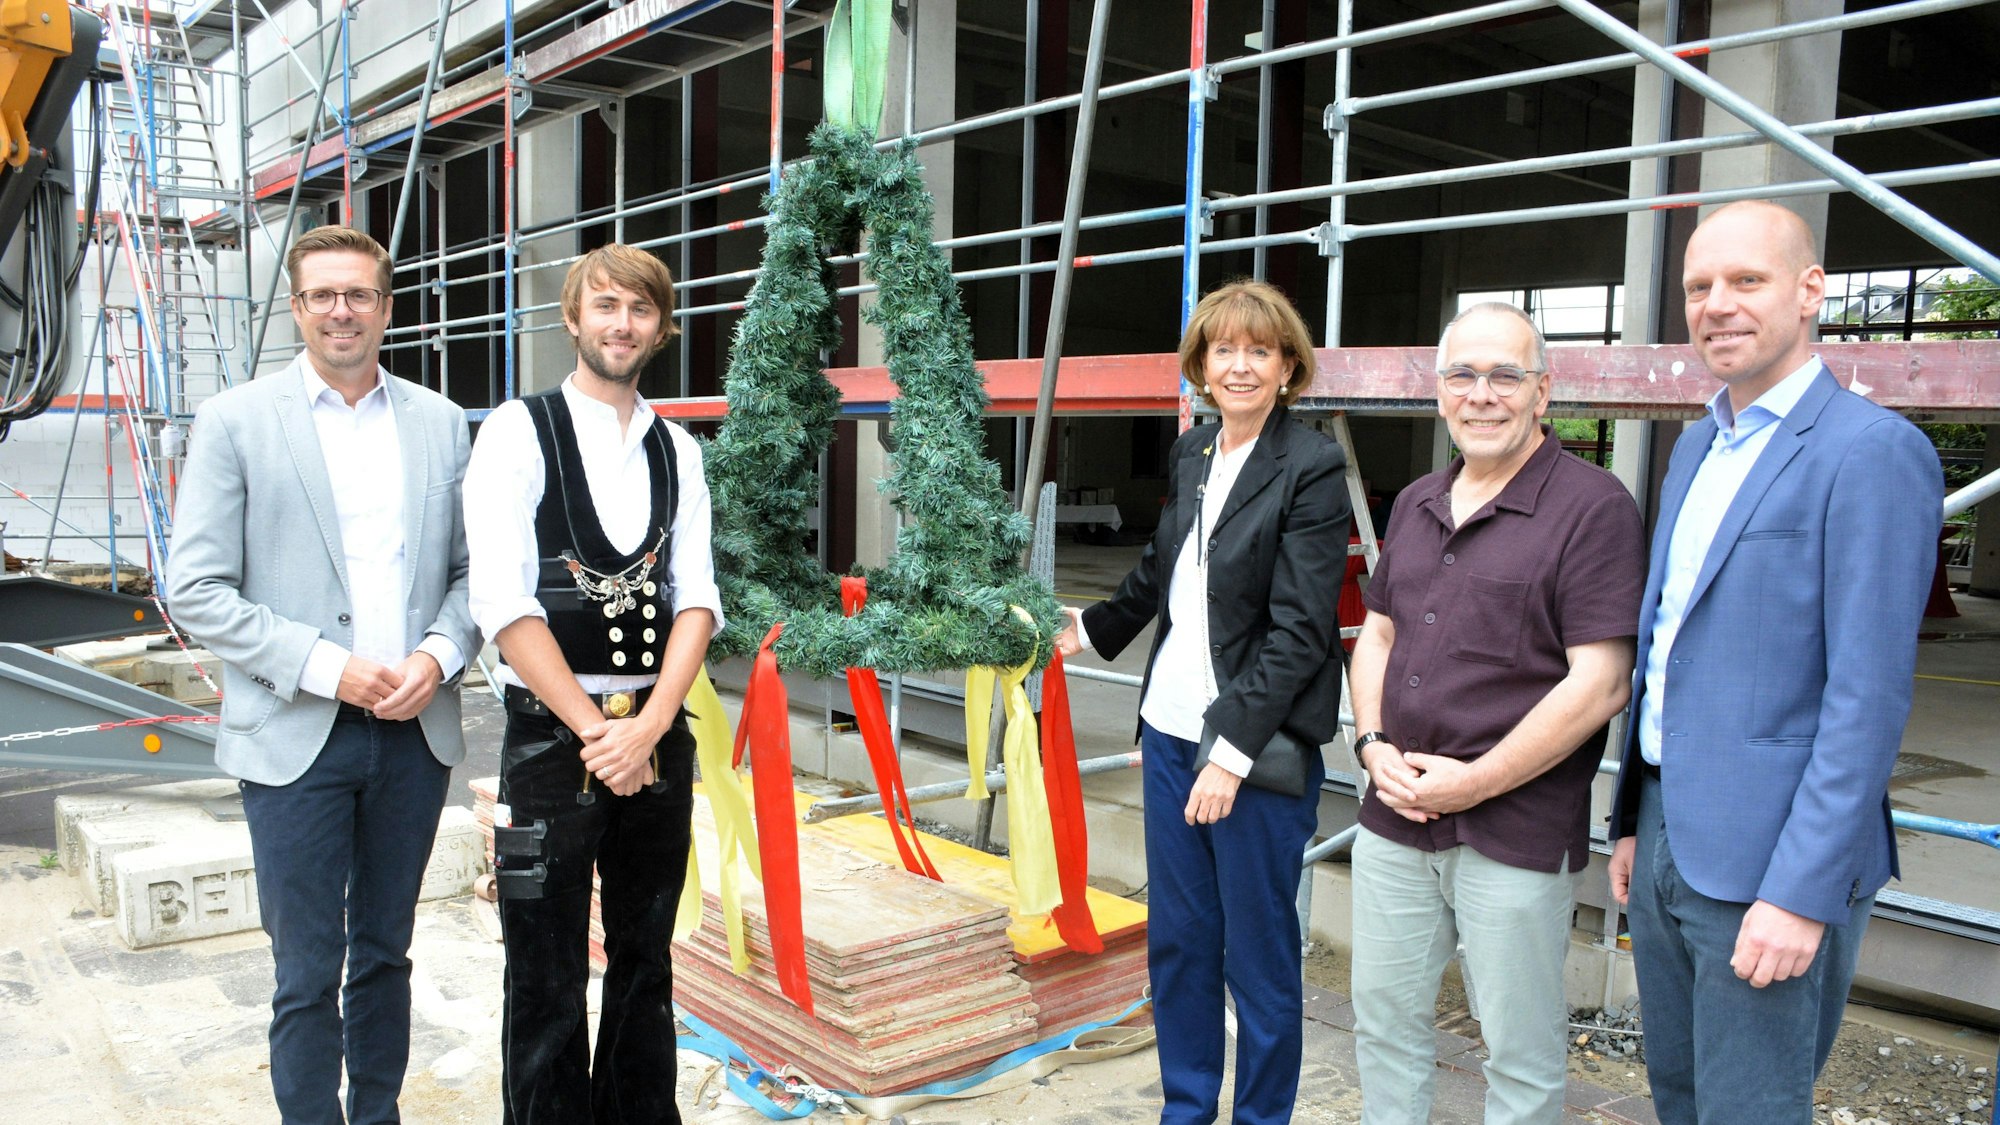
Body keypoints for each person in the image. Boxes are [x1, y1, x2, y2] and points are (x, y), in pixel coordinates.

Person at [1607, 200, 1942, 1123]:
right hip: (1669, 829)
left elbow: (1867, 697)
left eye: (1746, 280)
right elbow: (1668, 645)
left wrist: (1800, 892)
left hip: (1771, 857)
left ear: (1810, 291)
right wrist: (1634, 819)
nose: (1716, 304)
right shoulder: (1697, 447)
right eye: (1699, 286)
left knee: (1750, 1108)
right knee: (1679, 1096)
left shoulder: (1872, 452)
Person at [166, 225, 477, 1123]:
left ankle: (376, 1114)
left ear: (386, 306)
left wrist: (437, 654)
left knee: (385, 953)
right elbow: (196, 587)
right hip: (294, 733)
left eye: (360, 294)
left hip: (412, 736)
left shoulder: (439, 422)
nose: (343, 311)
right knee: (305, 968)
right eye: (323, 296)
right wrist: (326, 666)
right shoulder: (236, 421)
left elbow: (473, 574)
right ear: (299, 308)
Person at [1055, 279, 1349, 1125]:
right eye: (1224, 350)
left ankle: (1260, 1117)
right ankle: (1185, 1109)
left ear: (1288, 367)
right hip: (1169, 733)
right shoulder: (1194, 452)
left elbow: (1301, 631)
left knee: (1258, 958)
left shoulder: (1312, 468)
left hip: (1251, 752)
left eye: (1260, 350)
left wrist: (1231, 752)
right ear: (1201, 365)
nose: (1241, 366)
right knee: (1181, 943)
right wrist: (1092, 628)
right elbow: (1165, 566)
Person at [1345, 303, 1646, 1123]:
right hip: (1395, 815)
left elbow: (1602, 682)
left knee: (1518, 1054)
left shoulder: (1593, 508)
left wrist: (1474, 782)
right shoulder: (1418, 500)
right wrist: (1371, 743)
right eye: (1463, 375)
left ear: (1543, 391)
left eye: (1506, 375)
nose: (1482, 394)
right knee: (1384, 1024)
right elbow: (1377, 634)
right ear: (1440, 391)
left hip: (1513, 830)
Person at [462, 243, 721, 1124]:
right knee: (543, 973)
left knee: (647, 965)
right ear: (573, 318)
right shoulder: (516, 431)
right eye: (605, 305)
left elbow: (697, 599)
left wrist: (648, 727)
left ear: (662, 327)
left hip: (656, 739)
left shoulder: (678, 449)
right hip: (548, 741)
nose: (622, 323)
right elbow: (504, 604)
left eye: (640, 308)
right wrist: (600, 733)